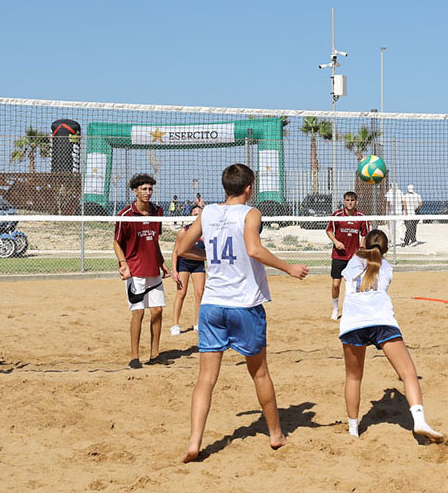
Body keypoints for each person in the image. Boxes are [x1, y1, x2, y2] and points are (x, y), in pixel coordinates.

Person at [173, 164, 309, 462]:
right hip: (244, 304)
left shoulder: (207, 212)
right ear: (249, 187)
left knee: (206, 378)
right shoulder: (251, 213)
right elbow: (254, 249)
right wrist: (289, 268)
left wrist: (208, 255)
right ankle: (275, 435)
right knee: (259, 372)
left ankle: (195, 442)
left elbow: (182, 247)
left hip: (212, 305)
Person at [339, 230, 444, 442]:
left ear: (364, 244)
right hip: (381, 320)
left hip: (354, 322)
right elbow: (374, 263)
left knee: (353, 377)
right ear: (386, 250)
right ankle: (419, 421)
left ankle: (353, 430)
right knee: (408, 374)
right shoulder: (386, 268)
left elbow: (362, 255)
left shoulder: (352, 261)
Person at [113, 173, 171, 369]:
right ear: (135, 191)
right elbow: (116, 243)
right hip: (135, 271)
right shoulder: (125, 215)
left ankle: (155, 354)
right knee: (138, 313)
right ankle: (134, 356)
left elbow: (154, 241)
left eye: (150, 189)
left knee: (157, 311)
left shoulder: (158, 211)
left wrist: (162, 262)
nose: (148, 192)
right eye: (144, 189)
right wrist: (123, 263)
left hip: (153, 270)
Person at [326, 191, 369, 321]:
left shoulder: (361, 216)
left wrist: (362, 247)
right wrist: (336, 242)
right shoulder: (337, 215)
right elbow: (329, 231)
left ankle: (353, 310)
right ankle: (335, 309)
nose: (350, 203)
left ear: (356, 201)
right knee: (335, 284)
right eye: (348, 200)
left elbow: (365, 234)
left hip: (353, 257)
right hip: (339, 255)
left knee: (353, 286)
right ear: (344, 201)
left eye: (352, 200)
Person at [170, 204, 207, 336]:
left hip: (198, 264)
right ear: (190, 215)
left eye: (199, 214)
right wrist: (174, 271)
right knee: (181, 293)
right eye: (194, 213)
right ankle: (175, 324)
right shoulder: (184, 231)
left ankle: (197, 323)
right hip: (184, 264)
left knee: (199, 293)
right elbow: (175, 252)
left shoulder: (206, 232)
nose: (197, 216)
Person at [385, 182, 403, 248]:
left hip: (391, 212)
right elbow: (403, 202)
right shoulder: (400, 192)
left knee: (391, 228)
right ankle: (401, 240)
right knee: (399, 226)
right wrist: (405, 211)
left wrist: (386, 212)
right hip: (399, 212)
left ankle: (391, 242)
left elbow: (387, 203)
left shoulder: (389, 192)